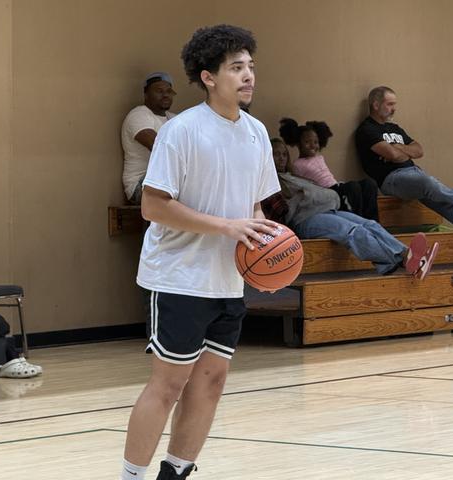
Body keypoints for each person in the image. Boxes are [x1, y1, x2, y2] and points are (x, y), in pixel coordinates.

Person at [120, 25, 281, 480]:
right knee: (169, 384)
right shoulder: (182, 131)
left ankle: (175, 473)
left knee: (212, 381)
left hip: (227, 279)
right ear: (208, 77)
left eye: (250, 66)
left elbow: (253, 207)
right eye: (236, 67)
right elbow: (153, 206)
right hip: (179, 276)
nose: (248, 76)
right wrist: (227, 226)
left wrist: (264, 249)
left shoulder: (256, 132)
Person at [266, 138, 439, 279]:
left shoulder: (293, 176)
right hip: (305, 220)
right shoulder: (270, 183)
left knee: (370, 224)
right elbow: (278, 216)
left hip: (327, 211)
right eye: (275, 154)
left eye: (284, 154)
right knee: (354, 231)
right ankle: (407, 261)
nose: (281, 158)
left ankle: (406, 254)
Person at [355, 86, 453, 228]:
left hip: (415, 173)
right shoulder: (367, 130)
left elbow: (419, 151)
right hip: (392, 179)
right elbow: (393, 155)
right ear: (376, 105)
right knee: (427, 182)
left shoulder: (395, 128)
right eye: (390, 104)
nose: (394, 109)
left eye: (395, 104)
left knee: (448, 207)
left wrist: (398, 147)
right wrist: (402, 152)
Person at [279, 117, 379, 221]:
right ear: (298, 143)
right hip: (326, 192)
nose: (313, 145)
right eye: (307, 142)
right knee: (353, 187)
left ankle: (373, 220)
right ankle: (359, 219)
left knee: (369, 183)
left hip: (337, 186)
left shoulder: (319, 157)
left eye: (316, 142)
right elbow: (301, 184)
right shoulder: (297, 164)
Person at [121, 72, 177, 204]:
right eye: (159, 91)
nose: (165, 95)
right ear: (146, 94)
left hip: (167, 181)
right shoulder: (139, 115)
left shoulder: (174, 118)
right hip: (141, 184)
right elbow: (160, 149)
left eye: (169, 91)